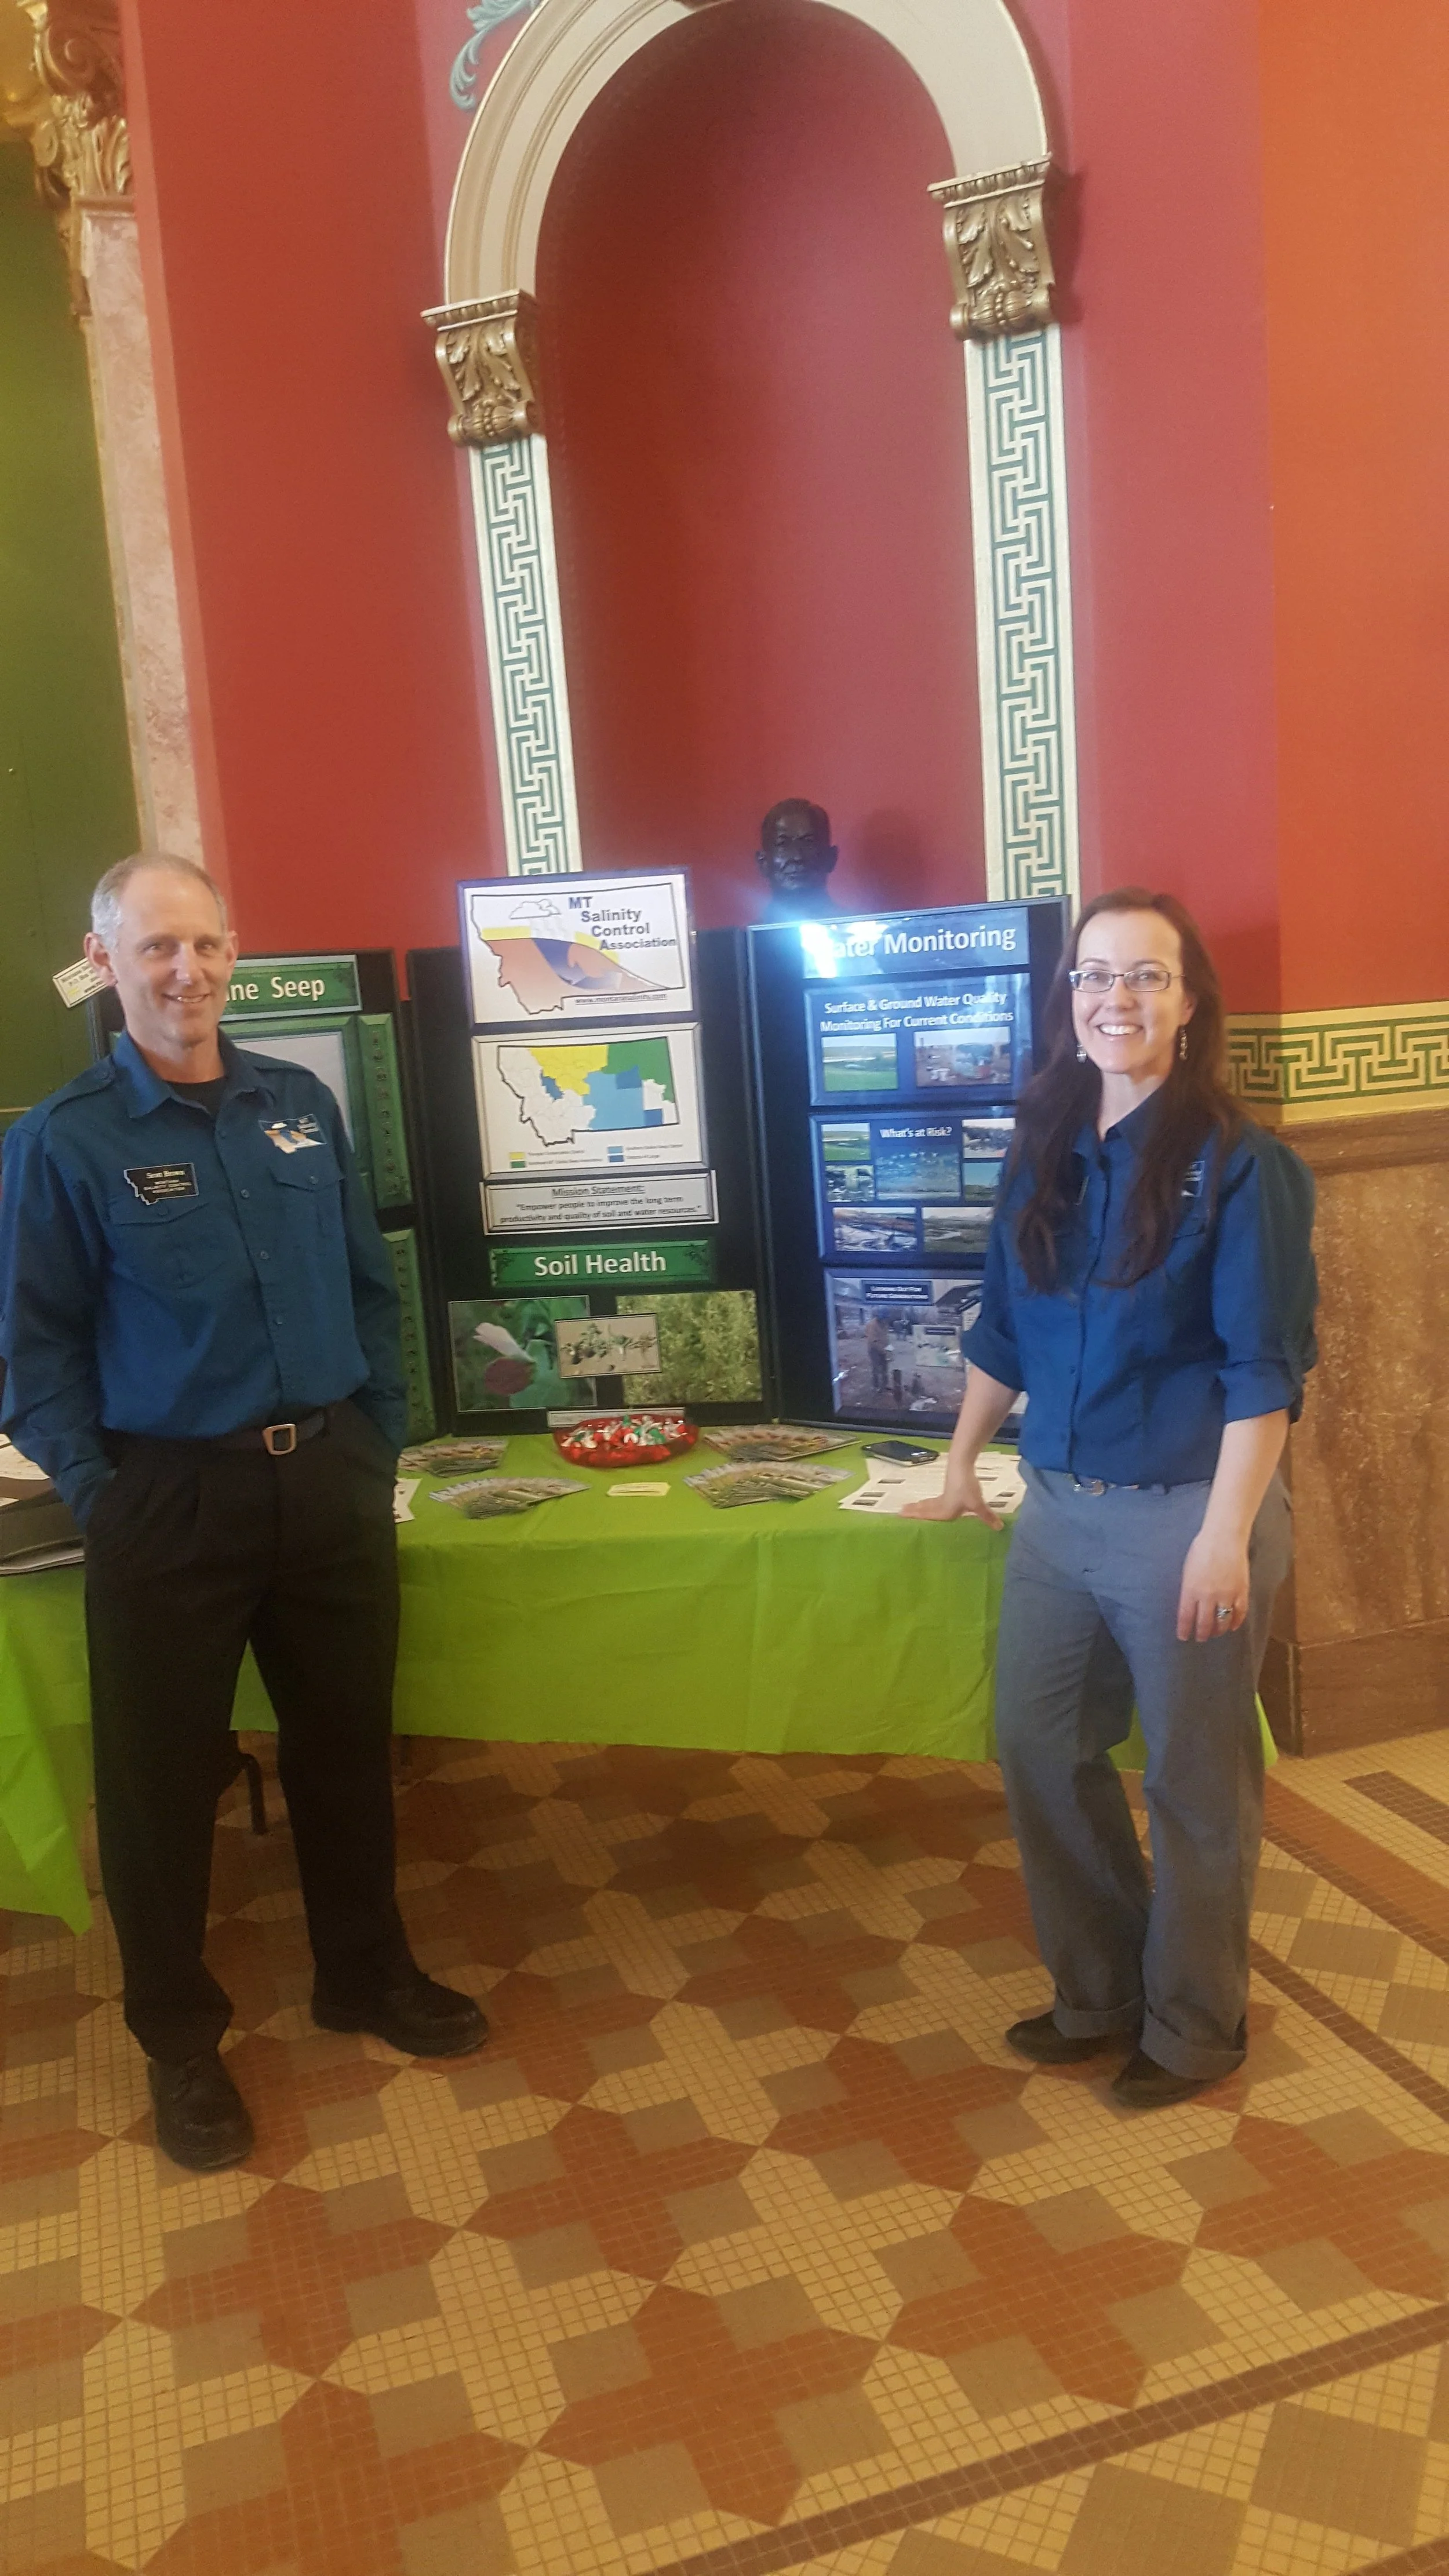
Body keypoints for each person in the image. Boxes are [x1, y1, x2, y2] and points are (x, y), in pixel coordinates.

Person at [0, 854, 487, 2174]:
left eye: (207, 943)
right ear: (105, 959)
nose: (188, 970)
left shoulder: (299, 1104)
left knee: (346, 1747)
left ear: (234, 951)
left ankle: (363, 1970)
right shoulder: (63, 1139)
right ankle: (178, 2038)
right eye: (157, 946)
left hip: (326, 1478)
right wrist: (108, 1496)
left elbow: (367, 1285)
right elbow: (32, 1352)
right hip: (168, 1498)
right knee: (159, 1787)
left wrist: (375, 1433)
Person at [905, 887, 1316, 2107]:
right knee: (1040, 1746)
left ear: (1189, 1003)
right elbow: (1004, 1328)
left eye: (1146, 975)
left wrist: (1224, 1536)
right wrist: (959, 1460)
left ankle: (1193, 2027)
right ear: (1068, 995)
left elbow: (1262, 1370)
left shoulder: (1243, 1166)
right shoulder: (1042, 1142)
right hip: (1056, 1511)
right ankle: (1098, 1990)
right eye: (1094, 973)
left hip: (1188, 1515)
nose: (1115, 997)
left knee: (1194, 1783)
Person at [756, 798, 840, 918]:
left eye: (809, 842)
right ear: (763, 862)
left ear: (831, 857)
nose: (797, 857)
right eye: (783, 844)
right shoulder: (743, 932)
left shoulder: (863, 929)